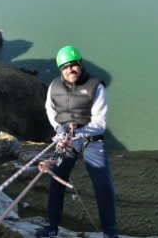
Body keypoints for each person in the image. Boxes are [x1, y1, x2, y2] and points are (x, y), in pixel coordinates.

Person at [36, 45, 118, 238]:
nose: (70, 70)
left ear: (80, 65)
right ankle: (52, 227)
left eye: (73, 66)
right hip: (66, 137)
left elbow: (100, 123)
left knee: (102, 182)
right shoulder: (54, 87)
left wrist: (77, 133)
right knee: (57, 179)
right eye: (65, 67)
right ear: (61, 70)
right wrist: (59, 130)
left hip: (91, 138)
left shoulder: (95, 87)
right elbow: (51, 110)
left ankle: (110, 232)